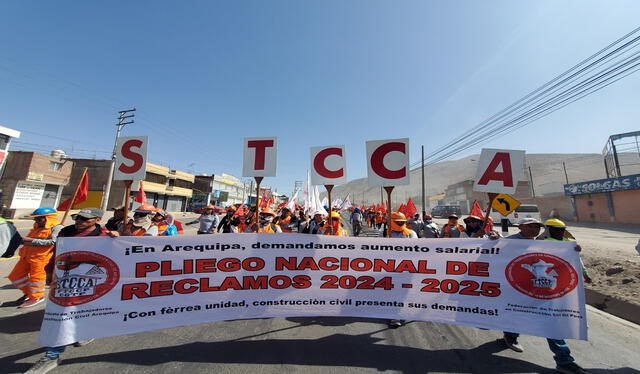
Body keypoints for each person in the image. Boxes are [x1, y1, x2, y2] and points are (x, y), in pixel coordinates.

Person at [24, 207, 116, 374]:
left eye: (84, 219)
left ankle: (83, 331)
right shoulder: (66, 232)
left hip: (89, 281)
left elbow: (116, 256)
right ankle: (52, 356)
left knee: (82, 310)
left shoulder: (104, 236)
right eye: (77, 218)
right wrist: (50, 270)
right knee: (61, 315)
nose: (79, 222)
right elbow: (57, 253)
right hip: (64, 280)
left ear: (97, 220)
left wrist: (117, 239)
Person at [501, 217, 591, 374]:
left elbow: (559, 262)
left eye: (537, 226)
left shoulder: (545, 243)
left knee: (551, 323)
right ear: (521, 227)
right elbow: (493, 253)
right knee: (518, 315)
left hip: (541, 290)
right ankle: (510, 335)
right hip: (517, 289)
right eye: (530, 226)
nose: (534, 229)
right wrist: (493, 239)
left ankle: (564, 360)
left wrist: (573, 252)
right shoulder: (510, 242)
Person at [7, 207, 62, 308]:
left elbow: (53, 242)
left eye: (39, 218)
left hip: (41, 258)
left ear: (48, 218)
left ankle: (36, 297)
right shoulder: (37, 226)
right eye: (35, 219)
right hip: (26, 256)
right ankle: (29, 293)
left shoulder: (56, 227)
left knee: (36, 278)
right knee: (15, 276)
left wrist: (31, 240)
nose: (36, 221)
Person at [381, 212, 417, 328]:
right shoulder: (384, 233)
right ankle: (394, 316)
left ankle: (406, 311)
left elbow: (417, 248)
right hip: (390, 269)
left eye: (402, 222)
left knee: (406, 293)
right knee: (393, 293)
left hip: (407, 269)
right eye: (398, 222)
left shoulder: (411, 233)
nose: (401, 224)